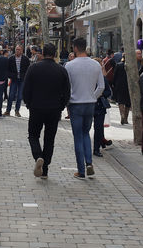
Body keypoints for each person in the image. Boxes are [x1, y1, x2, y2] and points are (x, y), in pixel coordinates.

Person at [23, 43, 71, 179]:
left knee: (33, 135)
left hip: (36, 108)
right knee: (49, 139)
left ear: (42, 53)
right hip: (54, 109)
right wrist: (61, 106)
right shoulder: (61, 70)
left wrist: (28, 103)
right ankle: (45, 169)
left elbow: (26, 89)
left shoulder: (33, 68)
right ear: (55, 54)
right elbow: (67, 92)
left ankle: (38, 156)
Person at [64, 37, 105, 179]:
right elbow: (101, 86)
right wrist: (93, 96)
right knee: (86, 133)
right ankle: (89, 162)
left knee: (78, 137)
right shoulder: (96, 65)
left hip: (76, 104)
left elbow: (67, 87)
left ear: (75, 48)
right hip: (90, 103)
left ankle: (81, 170)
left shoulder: (69, 66)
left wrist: (68, 100)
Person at [6, 44, 30, 117]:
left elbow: (28, 69)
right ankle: (8, 110)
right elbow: (8, 70)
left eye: (19, 49)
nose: (17, 51)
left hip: (22, 79)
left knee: (19, 96)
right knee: (11, 95)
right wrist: (11, 76)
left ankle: (17, 110)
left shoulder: (25, 59)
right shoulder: (11, 59)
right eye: (16, 49)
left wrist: (25, 77)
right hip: (14, 79)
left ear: (22, 51)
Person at [93, 74, 112, 157]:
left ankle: (96, 149)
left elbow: (108, 92)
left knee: (98, 128)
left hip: (100, 106)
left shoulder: (103, 78)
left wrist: (102, 94)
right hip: (88, 105)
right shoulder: (88, 77)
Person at [112, 54, 131, 125]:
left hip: (120, 85)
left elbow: (115, 75)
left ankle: (122, 115)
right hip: (128, 86)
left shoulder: (118, 65)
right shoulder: (131, 66)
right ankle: (126, 118)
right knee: (128, 102)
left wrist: (113, 84)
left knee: (121, 101)